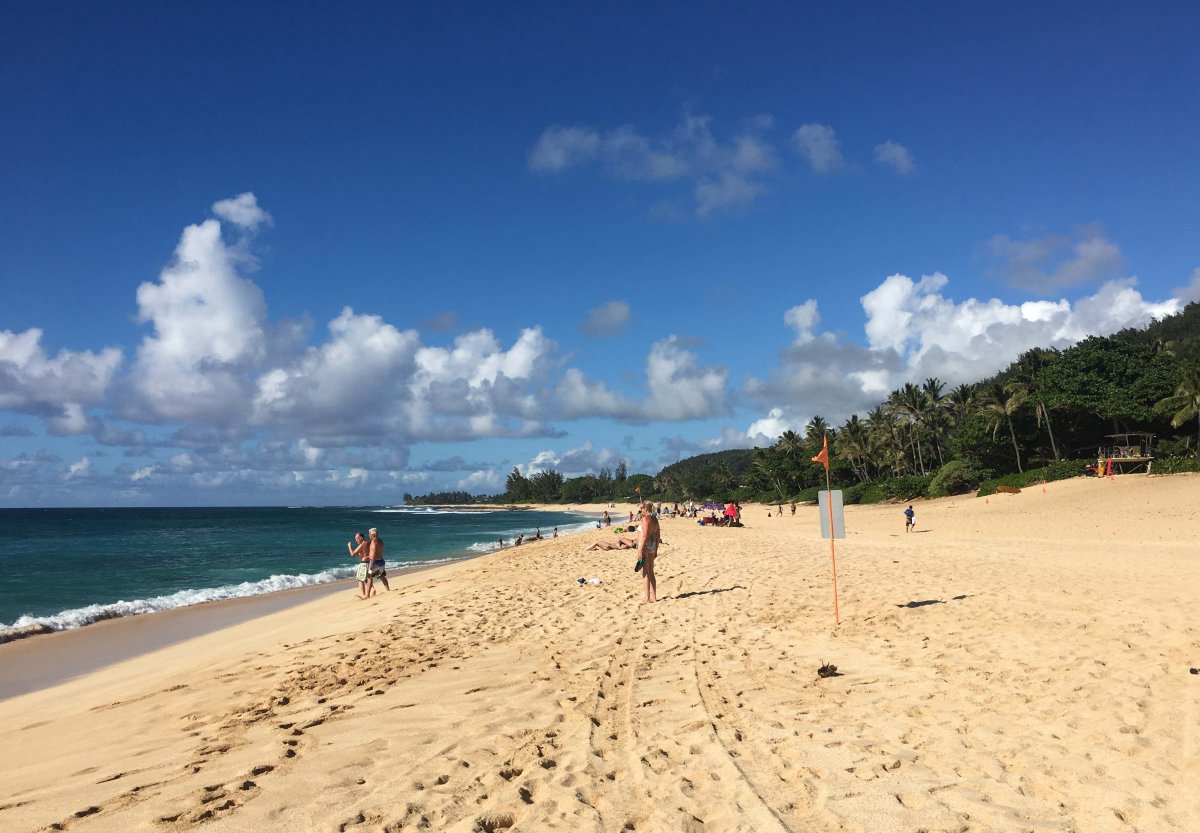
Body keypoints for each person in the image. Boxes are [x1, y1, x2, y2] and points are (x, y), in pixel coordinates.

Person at [638, 503, 661, 604]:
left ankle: (647, 597)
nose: (640, 510)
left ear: (646, 508)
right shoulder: (655, 519)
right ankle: (654, 596)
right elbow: (657, 535)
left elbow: (645, 535)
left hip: (645, 545)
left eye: (641, 508)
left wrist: (640, 549)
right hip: (652, 545)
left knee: (645, 572)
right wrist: (656, 550)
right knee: (651, 571)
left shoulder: (646, 519)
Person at [348, 532, 373, 599]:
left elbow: (352, 554)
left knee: (360, 580)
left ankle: (363, 595)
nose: (356, 540)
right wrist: (368, 556)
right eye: (355, 539)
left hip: (364, 563)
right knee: (368, 579)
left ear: (361, 538)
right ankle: (369, 593)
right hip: (370, 562)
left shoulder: (362, 544)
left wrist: (349, 546)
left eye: (357, 538)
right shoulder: (369, 543)